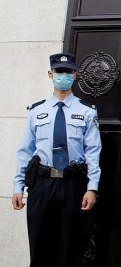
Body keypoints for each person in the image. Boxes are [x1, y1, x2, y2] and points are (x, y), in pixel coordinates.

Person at [12, 53, 102, 267]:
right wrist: (18, 186)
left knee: (70, 248)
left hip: (73, 185)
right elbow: (25, 151)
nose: (64, 76)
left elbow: (93, 152)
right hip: (42, 185)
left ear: (75, 75)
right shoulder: (37, 111)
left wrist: (92, 188)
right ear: (50, 74)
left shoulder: (87, 111)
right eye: (59, 72)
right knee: (40, 244)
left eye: (68, 72)